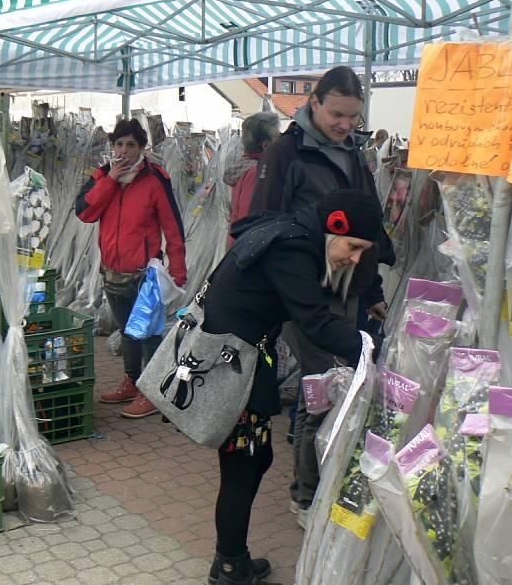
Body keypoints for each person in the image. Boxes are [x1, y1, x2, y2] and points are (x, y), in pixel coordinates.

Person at [202, 189, 383, 585]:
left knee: (257, 457)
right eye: (353, 247)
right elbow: (316, 323)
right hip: (233, 364)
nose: (354, 259)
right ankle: (229, 567)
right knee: (241, 467)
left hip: (244, 357)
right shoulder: (294, 249)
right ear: (334, 225)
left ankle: (233, 557)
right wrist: (375, 350)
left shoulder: (291, 230)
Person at [248, 66, 393, 528]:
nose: (347, 124)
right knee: (325, 391)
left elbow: (365, 225)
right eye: (338, 115)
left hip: (349, 293)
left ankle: (324, 482)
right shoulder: (285, 153)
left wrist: (371, 288)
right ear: (314, 102)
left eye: (354, 116)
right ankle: (307, 497)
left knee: (338, 388)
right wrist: (288, 290)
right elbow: (261, 228)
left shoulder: (354, 153)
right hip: (305, 297)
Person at [76, 118, 187, 418]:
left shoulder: (155, 180)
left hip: (145, 274)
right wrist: (111, 179)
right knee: (127, 330)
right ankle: (132, 381)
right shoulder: (101, 177)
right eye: (119, 144)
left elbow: (173, 228)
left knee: (149, 333)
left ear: (141, 148)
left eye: (131, 145)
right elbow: (85, 213)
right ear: (112, 147)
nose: (124, 151)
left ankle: (152, 392)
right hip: (112, 271)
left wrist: (178, 271)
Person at [223, 112, 280, 248]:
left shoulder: (247, 167)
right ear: (266, 145)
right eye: (278, 137)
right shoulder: (257, 172)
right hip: (246, 250)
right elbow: (248, 220)